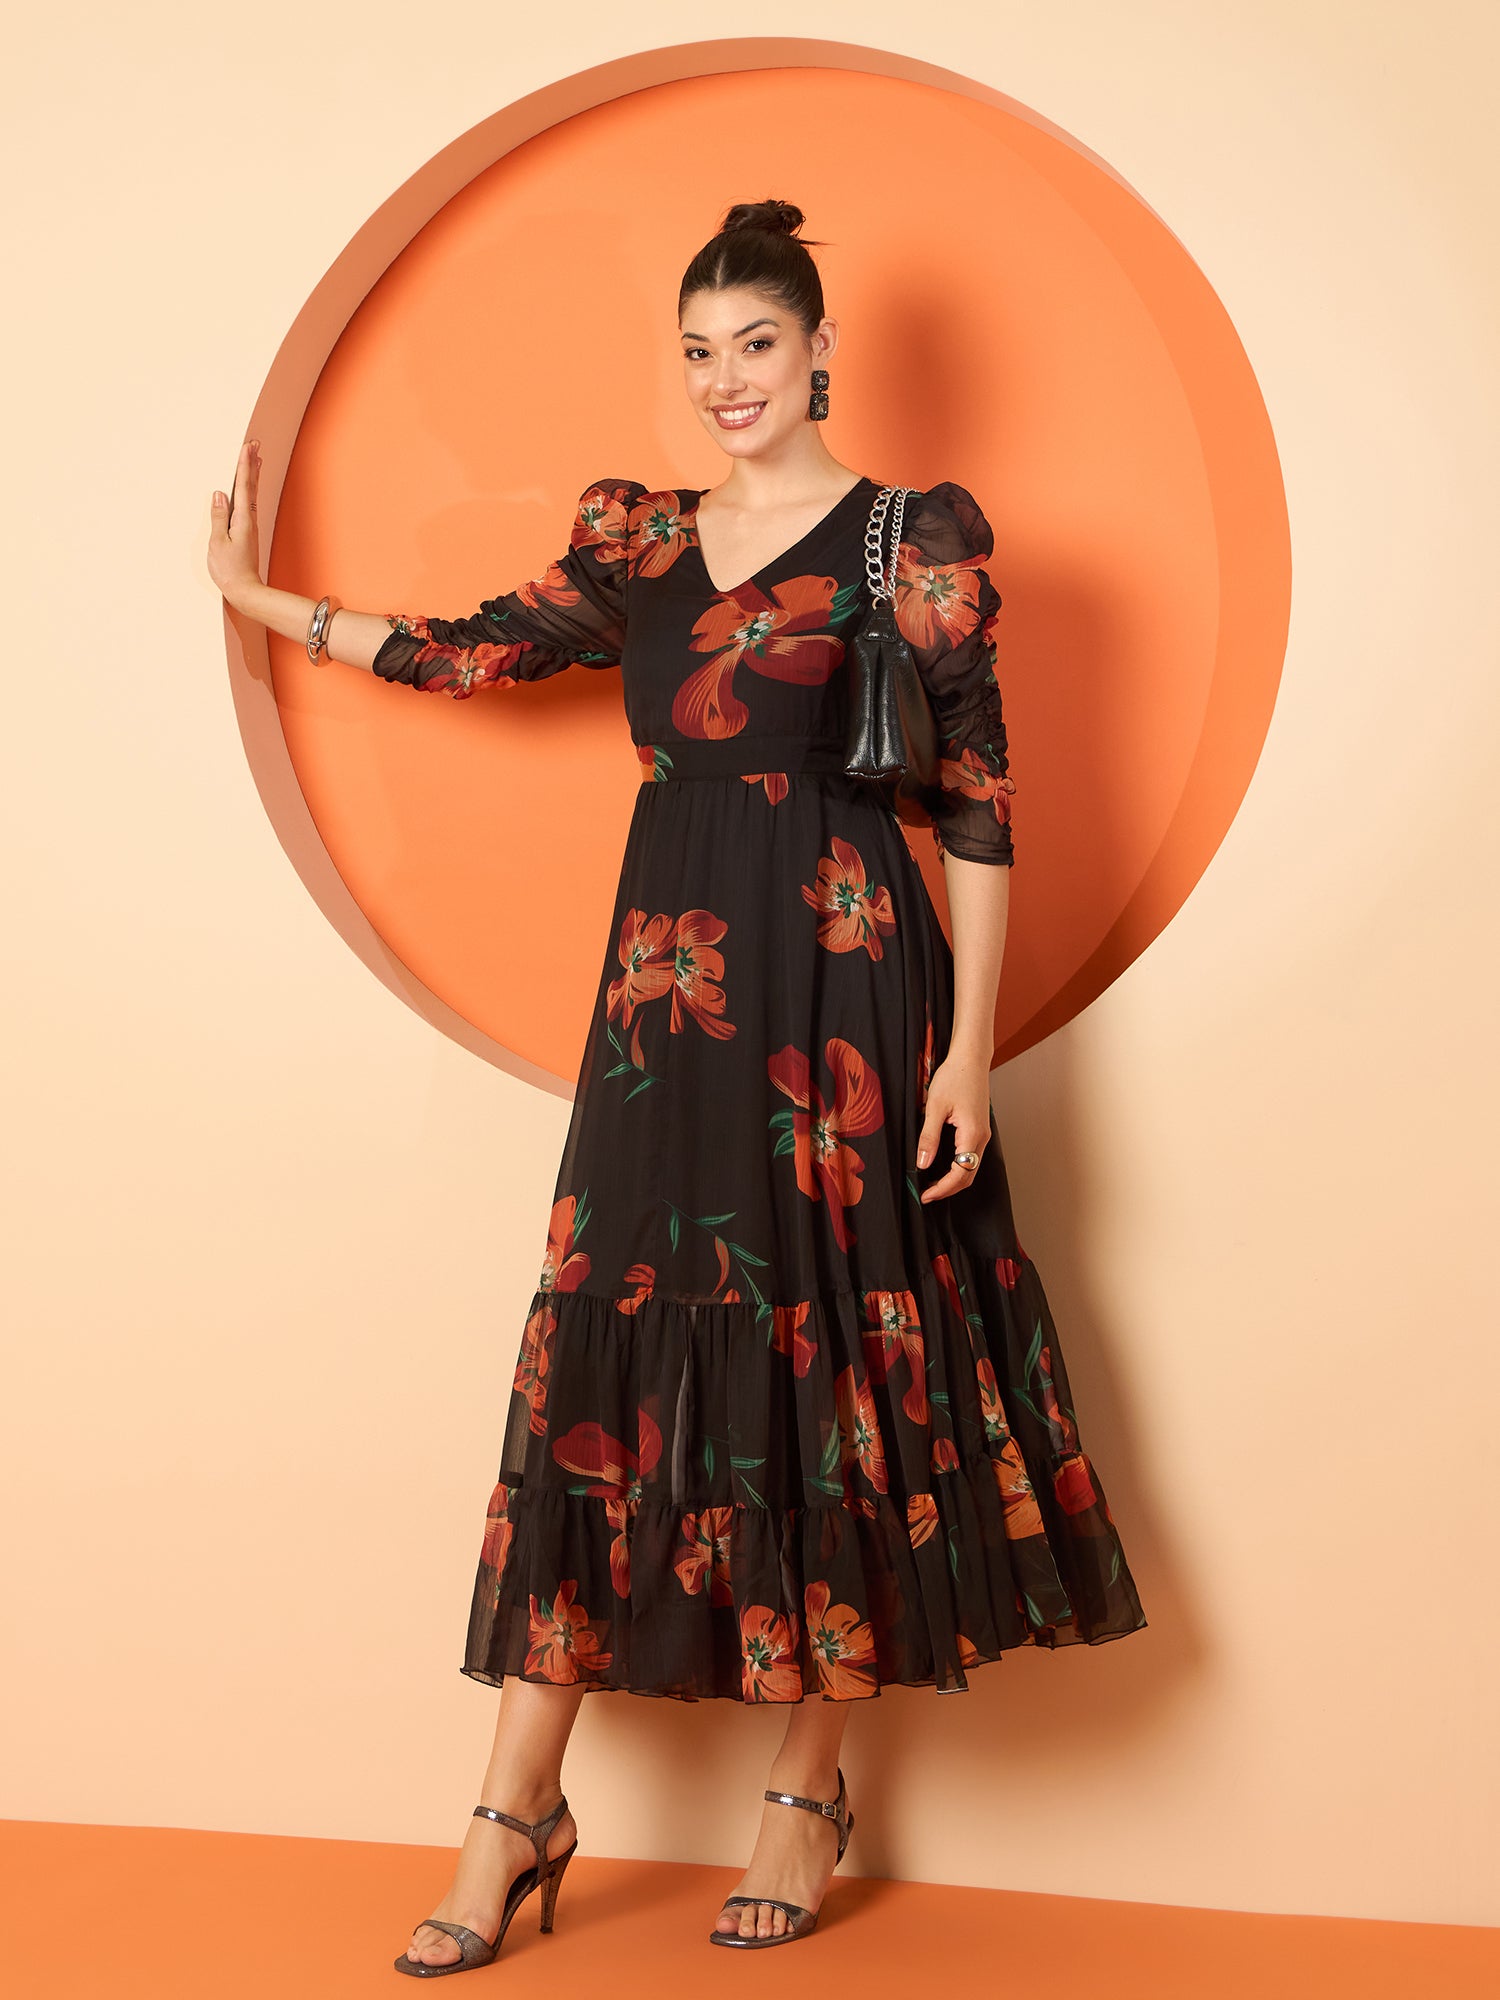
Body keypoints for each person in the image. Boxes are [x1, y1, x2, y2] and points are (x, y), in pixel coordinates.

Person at [207, 196, 1148, 1974]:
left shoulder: (912, 541)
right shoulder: (638, 540)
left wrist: (967, 1051)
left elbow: (980, 800)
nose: (728, 380)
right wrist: (260, 601)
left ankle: (806, 1790)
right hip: (668, 995)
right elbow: (471, 648)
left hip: (849, 989)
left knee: (836, 1352)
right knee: (614, 1341)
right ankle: (513, 1813)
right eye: (700, 351)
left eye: (758, 345)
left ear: (821, 349)